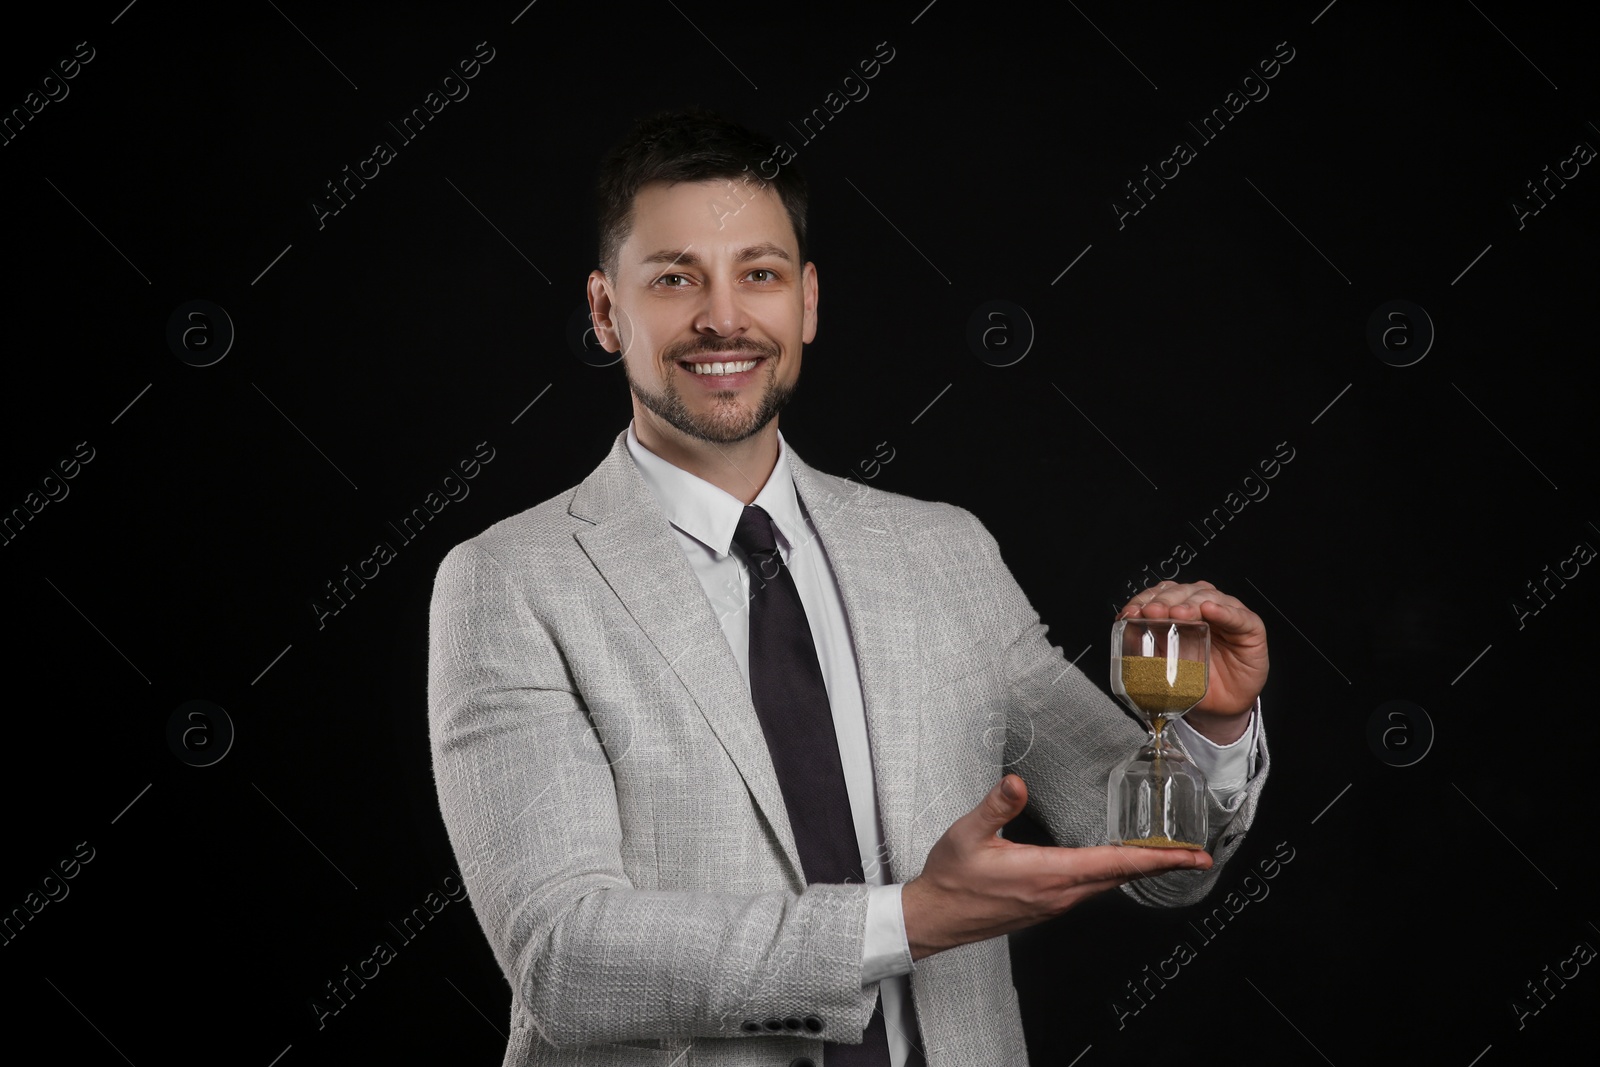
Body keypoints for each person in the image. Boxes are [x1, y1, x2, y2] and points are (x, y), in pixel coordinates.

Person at [427, 107, 1270, 1067]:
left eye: (760, 274)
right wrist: (904, 920)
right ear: (606, 309)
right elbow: (564, 961)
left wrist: (1209, 732)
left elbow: (1156, 867)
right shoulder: (508, 581)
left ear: (808, 301)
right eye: (673, 279)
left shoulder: (943, 551)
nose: (723, 317)